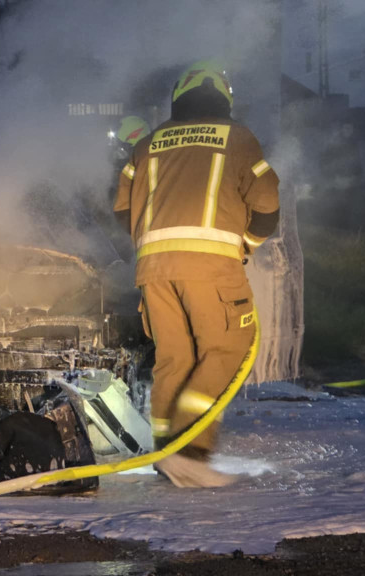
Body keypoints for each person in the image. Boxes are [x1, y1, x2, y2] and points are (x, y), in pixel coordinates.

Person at [113, 60, 280, 487]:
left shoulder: (147, 144)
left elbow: (121, 210)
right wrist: (243, 245)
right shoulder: (239, 138)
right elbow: (266, 207)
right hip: (212, 266)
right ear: (224, 98)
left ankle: (167, 456)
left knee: (174, 359)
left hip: (153, 270)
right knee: (227, 349)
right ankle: (189, 450)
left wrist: (152, 242)